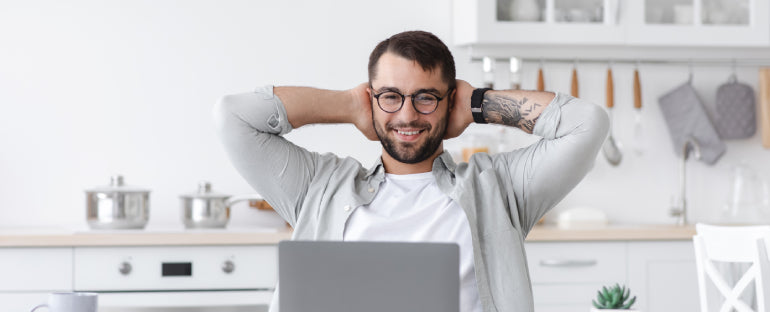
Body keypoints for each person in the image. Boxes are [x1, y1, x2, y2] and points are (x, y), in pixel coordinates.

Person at [215, 30, 609, 312]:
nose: (406, 114)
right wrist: (350, 106)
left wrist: (477, 103)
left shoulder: (499, 190)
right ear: (372, 98)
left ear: (449, 101)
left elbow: (586, 123)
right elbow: (233, 117)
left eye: (425, 97)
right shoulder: (319, 187)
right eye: (390, 96)